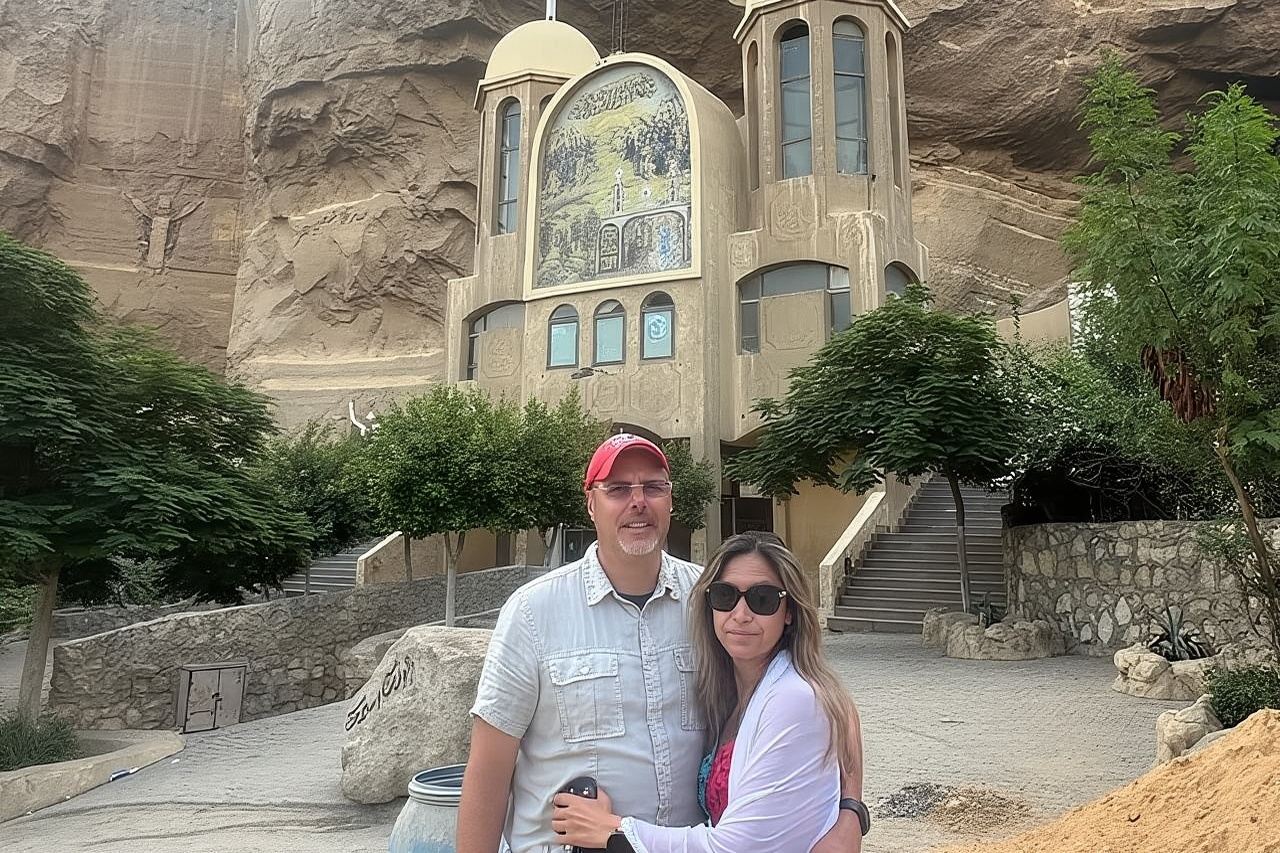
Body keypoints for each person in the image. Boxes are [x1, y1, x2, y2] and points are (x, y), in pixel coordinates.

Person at [457, 434, 864, 853]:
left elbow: (827, 700)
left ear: (670, 501)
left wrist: (850, 811)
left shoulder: (714, 597)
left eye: (653, 487)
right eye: (617, 489)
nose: (638, 502)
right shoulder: (532, 612)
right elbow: (489, 769)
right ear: (591, 503)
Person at [551, 531, 863, 851]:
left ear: (790, 612)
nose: (741, 615)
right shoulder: (733, 688)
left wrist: (613, 830)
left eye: (763, 599)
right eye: (725, 596)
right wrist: (853, 807)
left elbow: (733, 848)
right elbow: (843, 710)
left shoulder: (793, 698)